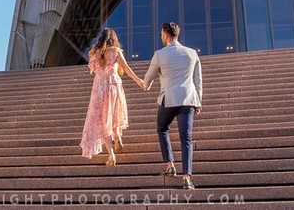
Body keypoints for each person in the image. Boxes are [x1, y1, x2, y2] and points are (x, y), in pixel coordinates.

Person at [143, 22, 202, 190]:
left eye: (162, 34)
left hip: (169, 100)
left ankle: (170, 165)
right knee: (186, 138)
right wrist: (198, 102)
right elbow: (198, 80)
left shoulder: (160, 54)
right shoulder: (192, 53)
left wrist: (145, 83)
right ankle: (186, 177)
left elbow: (148, 78)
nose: (161, 36)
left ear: (165, 35)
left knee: (162, 127)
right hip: (188, 100)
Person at [79, 28, 146, 165]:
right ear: (113, 39)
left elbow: (93, 70)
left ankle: (112, 155)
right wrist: (138, 80)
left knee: (103, 119)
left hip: (99, 88)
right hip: (113, 85)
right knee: (115, 113)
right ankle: (118, 136)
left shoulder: (95, 53)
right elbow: (126, 67)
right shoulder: (115, 51)